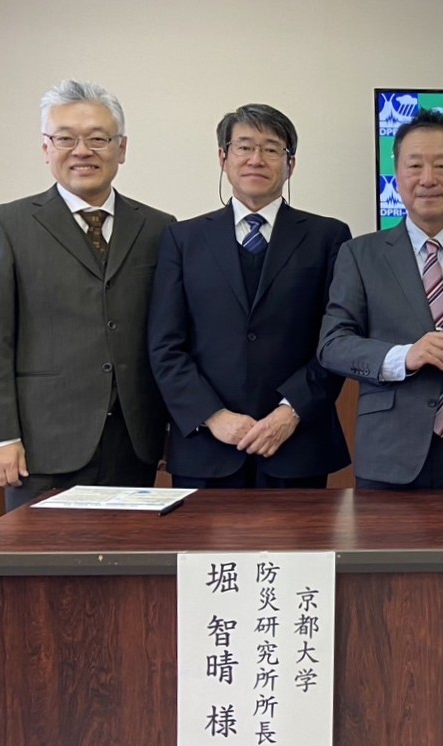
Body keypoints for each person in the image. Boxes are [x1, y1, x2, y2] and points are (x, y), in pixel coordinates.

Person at [0, 80, 175, 511]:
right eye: (66, 139)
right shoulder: (7, 225)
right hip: (42, 443)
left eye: (98, 139)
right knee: (43, 554)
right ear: (46, 148)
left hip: (134, 440)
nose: (83, 151)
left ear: (121, 148)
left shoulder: (159, 228)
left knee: (129, 551)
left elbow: (168, 335)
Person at [149, 104, 351, 489]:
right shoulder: (183, 239)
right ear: (223, 158)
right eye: (244, 147)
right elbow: (165, 345)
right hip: (206, 447)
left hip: (297, 444)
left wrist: (290, 413)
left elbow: (336, 340)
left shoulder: (328, 237)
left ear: (290, 165)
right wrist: (214, 416)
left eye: (271, 149)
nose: (256, 159)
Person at [318, 109, 443, 489]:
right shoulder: (360, 254)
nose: (428, 179)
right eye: (414, 166)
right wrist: (404, 356)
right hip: (389, 453)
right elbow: (333, 345)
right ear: (397, 177)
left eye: (442, 166)